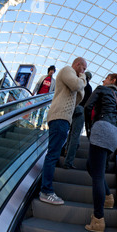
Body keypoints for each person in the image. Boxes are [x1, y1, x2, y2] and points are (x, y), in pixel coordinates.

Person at [83, 73, 117, 232]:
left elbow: (87, 107)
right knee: (91, 167)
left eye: (106, 78)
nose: (103, 80)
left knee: (97, 175)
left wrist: (89, 129)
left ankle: (98, 220)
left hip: (101, 129)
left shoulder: (101, 89)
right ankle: (108, 197)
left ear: (112, 81)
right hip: (114, 134)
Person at [39, 57, 87, 205]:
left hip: (64, 119)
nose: (84, 72)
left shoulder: (73, 75)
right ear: (78, 65)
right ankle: (46, 191)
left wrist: (80, 82)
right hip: (59, 117)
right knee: (53, 154)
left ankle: (46, 189)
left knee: (53, 153)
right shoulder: (68, 70)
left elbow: (80, 95)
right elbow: (76, 86)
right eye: (83, 68)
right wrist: (83, 78)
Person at [63, 71, 93, 169]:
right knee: (75, 135)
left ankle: (66, 150)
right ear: (89, 78)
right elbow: (89, 104)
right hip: (81, 110)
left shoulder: (79, 83)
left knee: (71, 132)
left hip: (72, 108)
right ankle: (68, 162)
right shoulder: (89, 87)